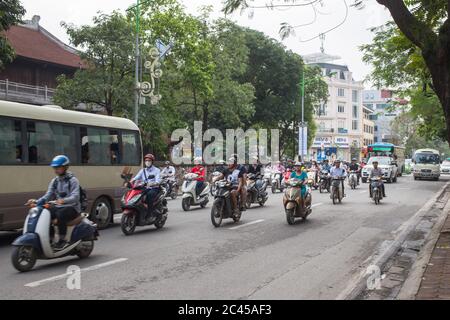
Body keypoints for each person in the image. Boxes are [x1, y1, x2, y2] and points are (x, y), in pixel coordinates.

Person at [27, 155, 81, 250]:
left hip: (72, 207)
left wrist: (63, 200)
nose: (56, 170)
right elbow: (48, 195)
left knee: (60, 215)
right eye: (55, 168)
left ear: (65, 167)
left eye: (58, 167)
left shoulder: (73, 180)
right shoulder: (55, 181)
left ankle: (62, 240)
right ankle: (49, 239)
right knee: (44, 212)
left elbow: (75, 197)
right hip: (58, 206)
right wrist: (37, 201)